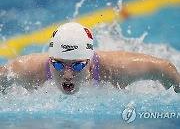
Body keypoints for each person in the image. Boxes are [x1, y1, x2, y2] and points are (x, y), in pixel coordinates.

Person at [0, 22, 179, 94]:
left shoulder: (117, 69)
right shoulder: (27, 69)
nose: (67, 74)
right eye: (58, 64)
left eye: (77, 66)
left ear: (90, 61)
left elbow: (164, 67)